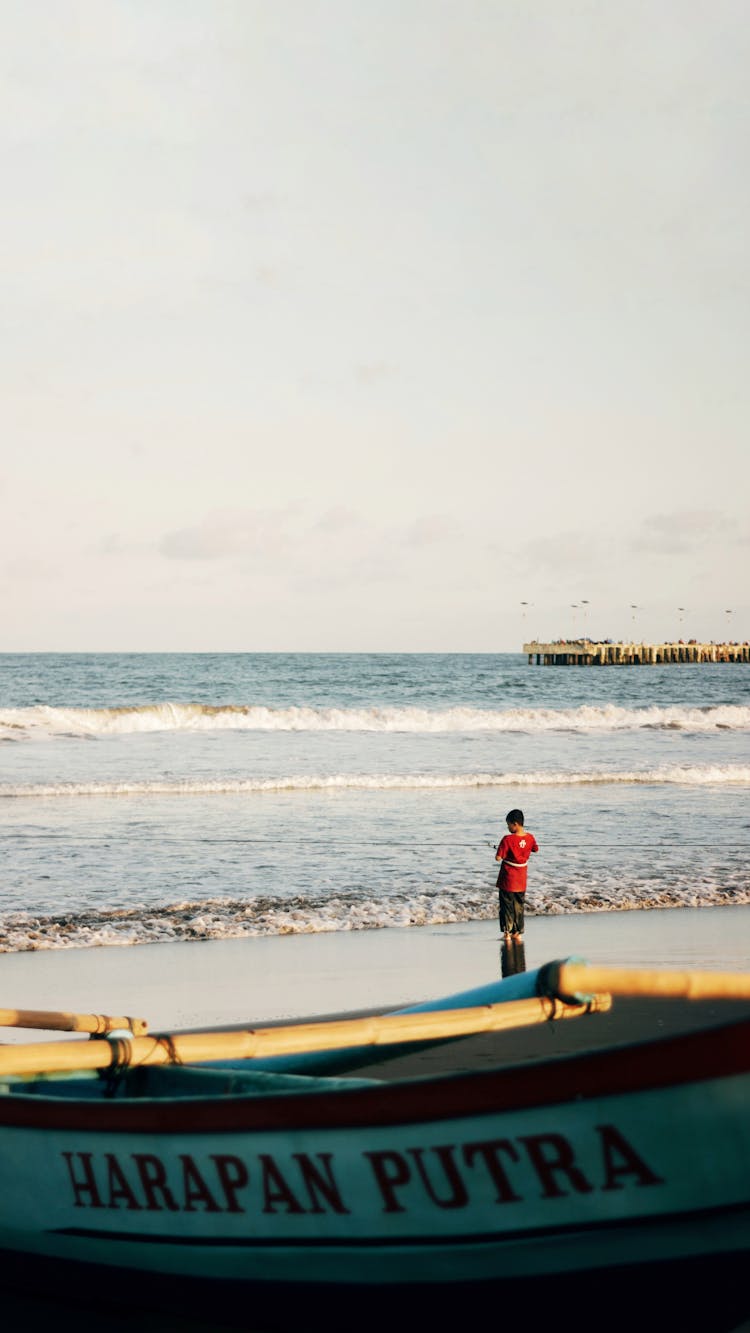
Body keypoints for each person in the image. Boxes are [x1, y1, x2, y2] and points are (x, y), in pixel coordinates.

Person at [495, 808, 538, 943]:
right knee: (519, 906)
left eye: (508, 824)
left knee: (506, 906)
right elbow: (535, 849)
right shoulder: (530, 837)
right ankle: (517, 933)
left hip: (508, 879)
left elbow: (498, 858)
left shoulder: (507, 839)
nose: (508, 827)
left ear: (515, 824)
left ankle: (507, 933)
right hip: (521, 879)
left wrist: (499, 851)